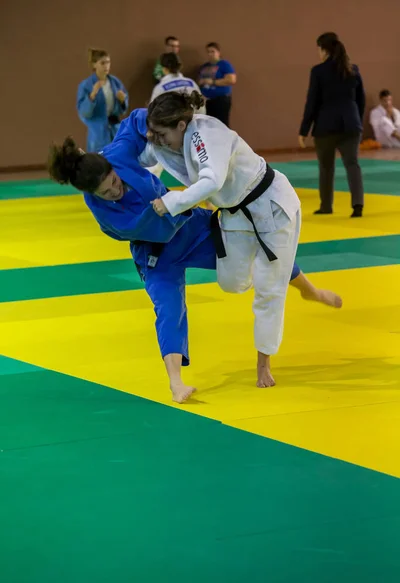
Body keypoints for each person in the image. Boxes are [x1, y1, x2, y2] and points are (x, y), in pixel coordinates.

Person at [48, 118, 341, 400]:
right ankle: (176, 383)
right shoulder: (104, 213)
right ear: (92, 194)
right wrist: (183, 200)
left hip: (191, 228)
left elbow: (135, 122)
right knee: (169, 308)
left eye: (114, 181)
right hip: (155, 252)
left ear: (112, 166)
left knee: (258, 248)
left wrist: (150, 128)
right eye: (106, 192)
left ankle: (308, 289)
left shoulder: (116, 153)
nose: (115, 191)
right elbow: (147, 226)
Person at [140, 91, 301, 388]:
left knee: (269, 291)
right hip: (234, 214)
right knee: (232, 283)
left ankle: (263, 363)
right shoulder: (170, 141)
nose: (158, 140)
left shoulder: (207, 135)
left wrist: (172, 202)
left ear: (181, 126)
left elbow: (211, 181)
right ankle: (275, 270)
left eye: (162, 134)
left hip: (272, 205)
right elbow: (139, 154)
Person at [299, 32, 365, 218]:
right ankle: (358, 205)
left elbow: (312, 102)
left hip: (325, 126)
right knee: (352, 164)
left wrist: (304, 129)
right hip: (351, 124)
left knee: (326, 167)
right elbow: (360, 100)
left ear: (324, 50)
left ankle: (326, 205)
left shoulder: (318, 71)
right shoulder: (353, 69)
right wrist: (356, 120)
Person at [77, 48, 129, 153]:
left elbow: (122, 109)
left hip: (115, 129)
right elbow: (83, 112)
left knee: (118, 160)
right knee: (100, 163)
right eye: (103, 63)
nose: (106, 66)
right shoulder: (86, 85)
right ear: (94, 65)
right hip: (98, 133)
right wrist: (92, 95)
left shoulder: (115, 82)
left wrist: (122, 100)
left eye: (108, 62)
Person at [198, 43, 236, 127]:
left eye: (213, 51)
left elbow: (231, 80)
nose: (210, 54)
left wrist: (212, 82)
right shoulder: (205, 66)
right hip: (206, 101)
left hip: (220, 100)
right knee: (208, 126)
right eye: (208, 52)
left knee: (221, 125)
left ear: (218, 52)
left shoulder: (224, 64)